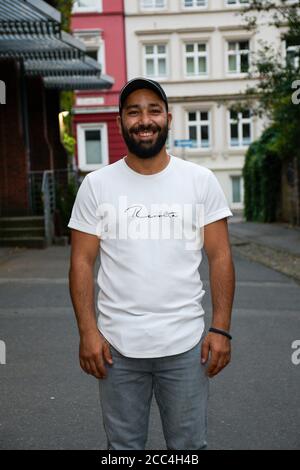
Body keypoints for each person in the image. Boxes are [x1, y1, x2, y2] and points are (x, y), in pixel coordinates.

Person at [68, 77, 235, 451]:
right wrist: (87, 332)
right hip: (117, 348)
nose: (145, 120)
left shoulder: (200, 181)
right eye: (134, 112)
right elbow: (81, 260)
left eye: (153, 110)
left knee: (189, 448)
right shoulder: (97, 185)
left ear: (169, 118)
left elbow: (220, 255)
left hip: (186, 345)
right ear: (120, 121)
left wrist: (221, 329)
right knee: (123, 449)